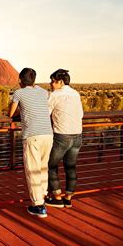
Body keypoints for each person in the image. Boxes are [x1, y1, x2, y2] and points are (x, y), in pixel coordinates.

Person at [9, 68, 53, 218]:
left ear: (21, 80)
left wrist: (20, 110)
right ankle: (43, 196)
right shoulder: (43, 92)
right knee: (43, 168)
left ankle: (38, 206)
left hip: (32, 136)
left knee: (32, 170)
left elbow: (10, 113)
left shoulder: (18, 93)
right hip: (48, 134)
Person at [45, 69, 83, 208]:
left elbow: (46, 112)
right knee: (70, 167)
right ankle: (68, 198)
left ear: (60, 82)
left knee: (50, 166)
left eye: (53, 81)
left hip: (62, 136)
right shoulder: (75, 93)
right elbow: (81, 114)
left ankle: (57, 198)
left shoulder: (55, 95)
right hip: (77, 135)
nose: (50, 84)